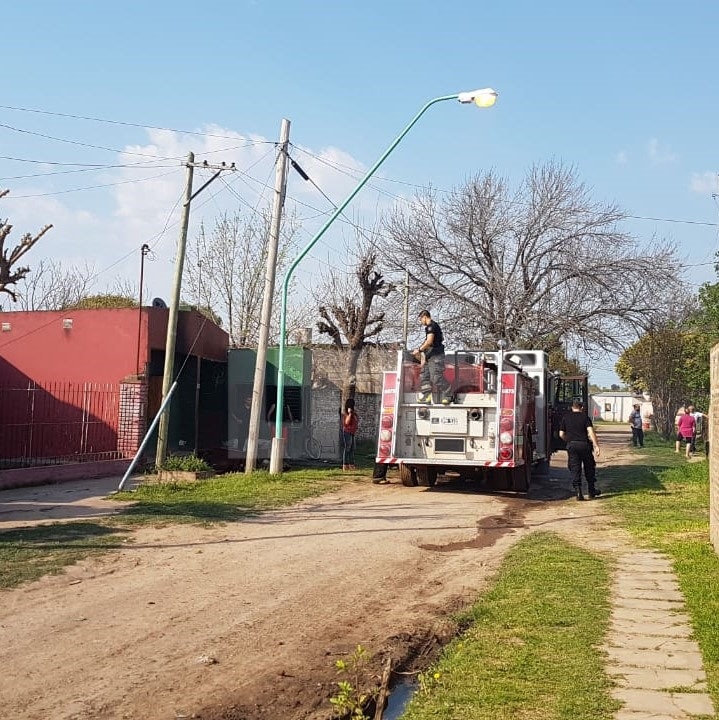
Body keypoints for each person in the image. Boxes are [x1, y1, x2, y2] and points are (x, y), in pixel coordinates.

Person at [559, 398, 601, 501]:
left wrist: (569, 441)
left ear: (571, 407)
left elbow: (561, 434)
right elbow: (590, 432)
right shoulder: (585, 417)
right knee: (589, 467)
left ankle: (579, 493)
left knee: (575, 469)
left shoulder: (566, 418)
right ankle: (591, 490)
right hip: (584, 445)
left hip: (572, 446)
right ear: (581, 407)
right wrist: (596, 445)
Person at [413, 310, 452, 405]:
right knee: (424, 376)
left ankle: (448, 394)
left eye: (421, 319)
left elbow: (429, 341)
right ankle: (427, 396)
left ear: (425, 317)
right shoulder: (430, 327)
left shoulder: (431, 326)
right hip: (429, 356)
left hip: (436, 356)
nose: (421, 322)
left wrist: (419, 350)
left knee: (436, 377)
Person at [342, 398, 359, 471]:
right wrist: (350, 414)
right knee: (347, 448)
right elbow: (346, 422)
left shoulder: (354, 413)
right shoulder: (347, 413)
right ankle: (345, 464)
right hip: (347, 432)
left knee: (352, 449)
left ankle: (351, 464)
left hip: (352, 432)